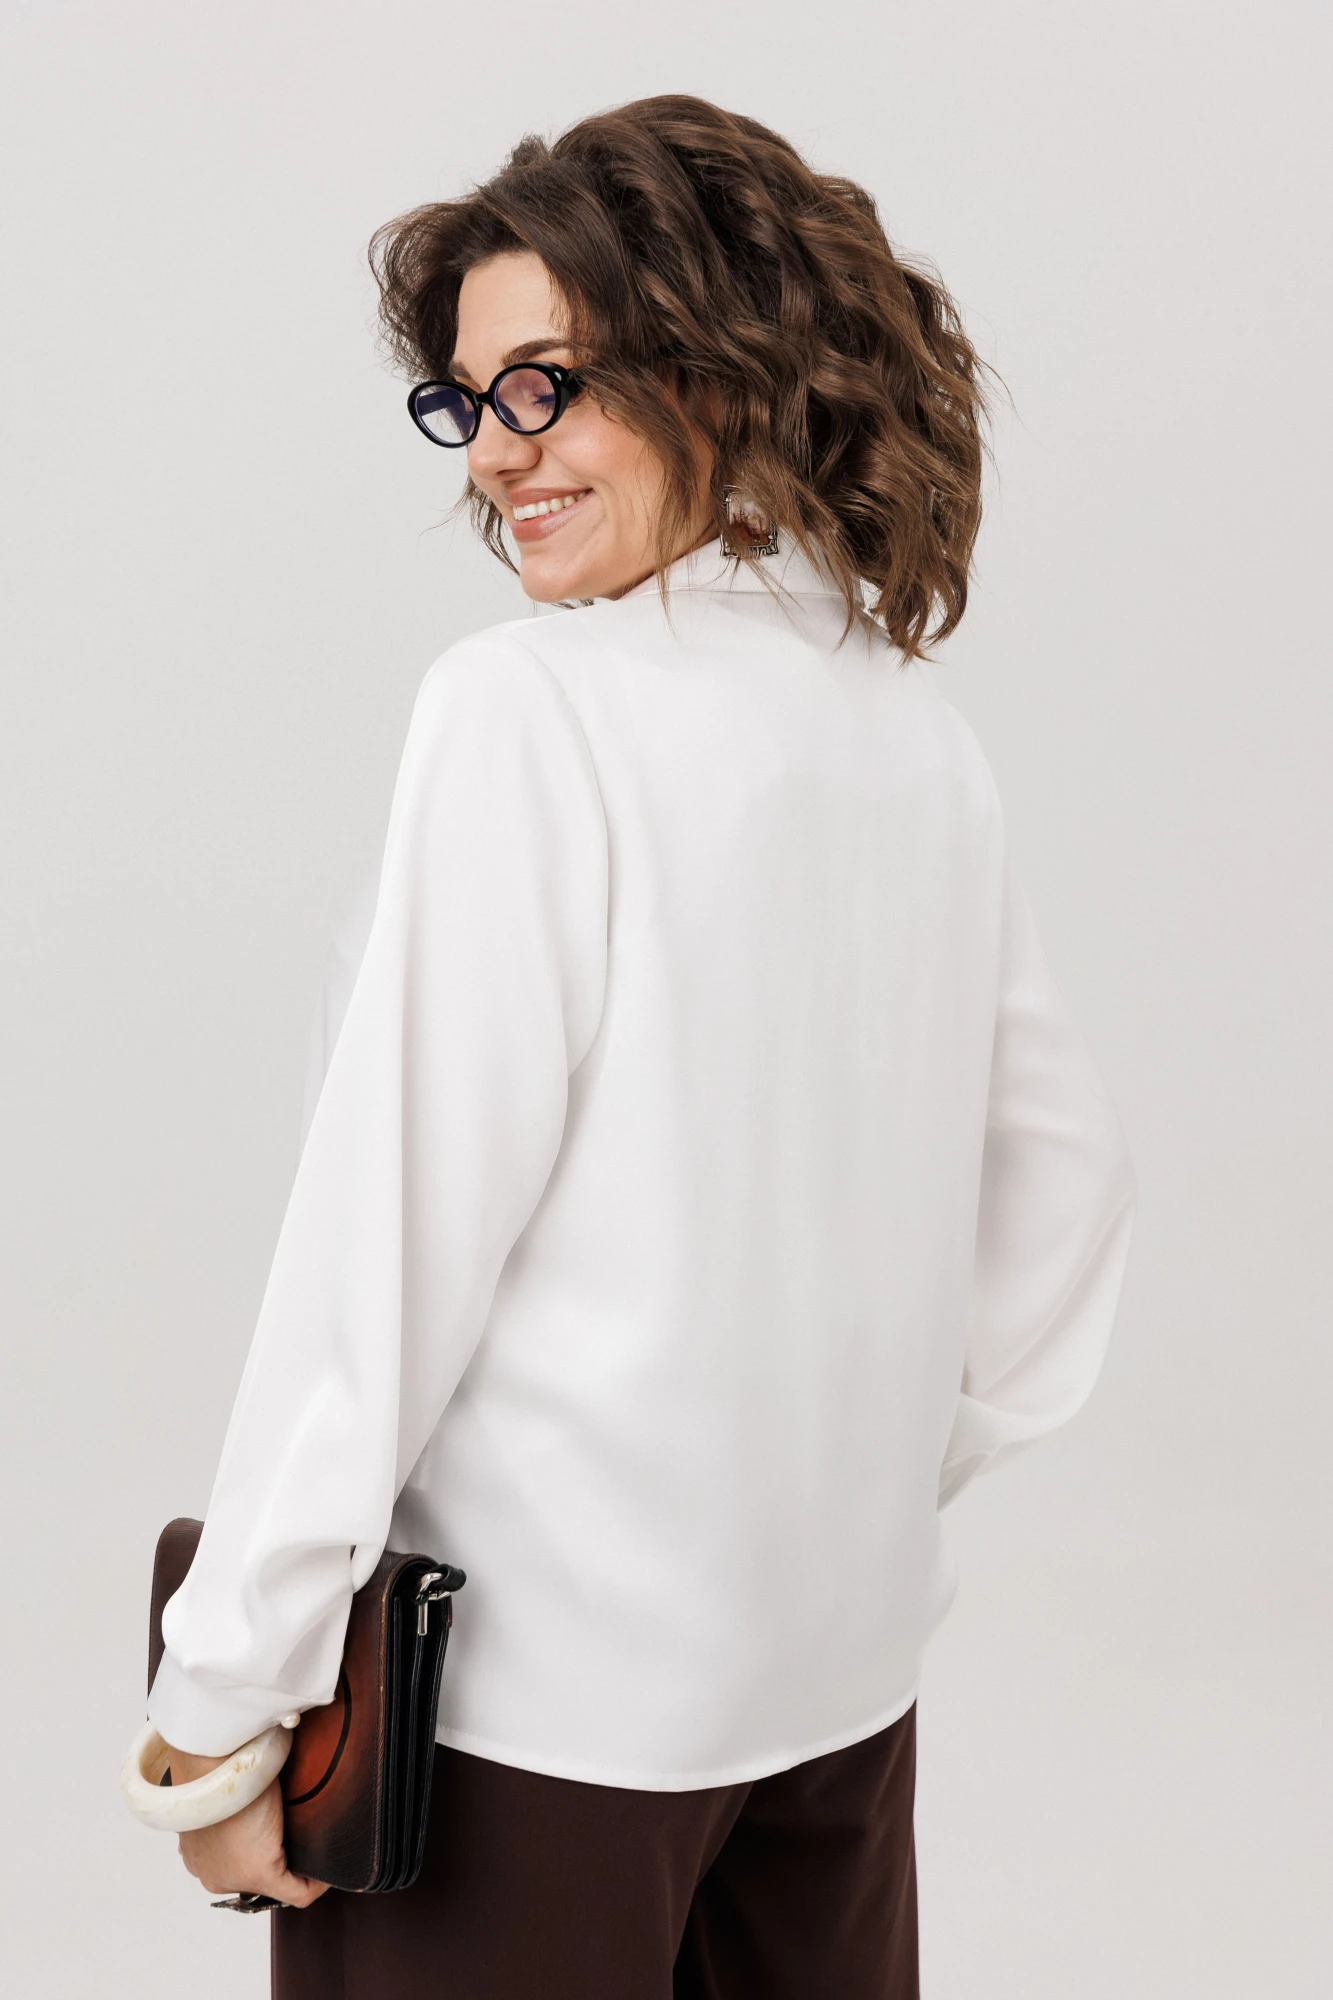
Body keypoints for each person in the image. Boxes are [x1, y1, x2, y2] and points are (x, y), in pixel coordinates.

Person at [140, 95, 1136, 1999]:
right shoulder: (906, 726)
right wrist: (845, 1485)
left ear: (721, 367)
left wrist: (224, 1694)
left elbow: (387, 1251)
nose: (496, 453)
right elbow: (1067, 1184)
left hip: (530, 1727)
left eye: (548, 384)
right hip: (830, 1692)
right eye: (466, 400)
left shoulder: (529, 711)